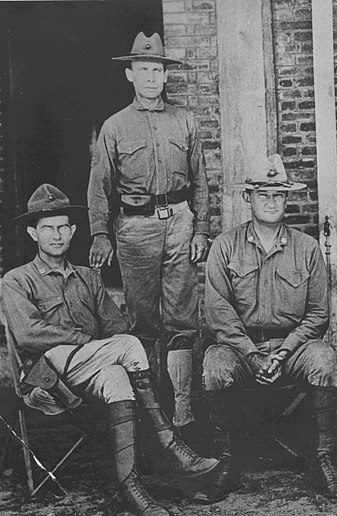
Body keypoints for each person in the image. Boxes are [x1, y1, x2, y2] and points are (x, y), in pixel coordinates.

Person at [1, 184, 221, 516]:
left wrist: (103, 345)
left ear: (73, 231)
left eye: (63, 227)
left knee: (117, 374)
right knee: (128, 346)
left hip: (89, 370)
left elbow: (115, 326)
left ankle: (128, 489)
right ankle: (170, 446)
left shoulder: (88, 278)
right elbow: (28, 334)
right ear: (34, 233)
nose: (56, 235)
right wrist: (84, 340)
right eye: (47, 228)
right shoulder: (17, 280)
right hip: (45, 377)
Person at [202, 154, 337, 499]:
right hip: (242, 350)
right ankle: (226, 462)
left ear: (287, 199)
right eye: (262, 194)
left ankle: (322, 461)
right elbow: (219, 313)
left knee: (324, 358)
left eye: (278, 195)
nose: (271, 202)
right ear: (248, 198)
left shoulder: (308, 248)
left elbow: (318, 314)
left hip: (293, 349)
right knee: (214, 363)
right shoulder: (225, 247)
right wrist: (252, 355)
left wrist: (285, 351)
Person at [87, 32, 210, 439]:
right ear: (130, 74)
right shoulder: (115, 126)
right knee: (143, 321)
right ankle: (150, 415)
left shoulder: (186, 121)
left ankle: (185, 414)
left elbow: (201, 182)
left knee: (181, 318)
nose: (152, 78)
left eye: (157, 70)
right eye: (144, 70)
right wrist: (101, 234)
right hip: (135, 227)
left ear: (164, 75)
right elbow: (99, 185)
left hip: (179, 220)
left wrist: (202, 228)